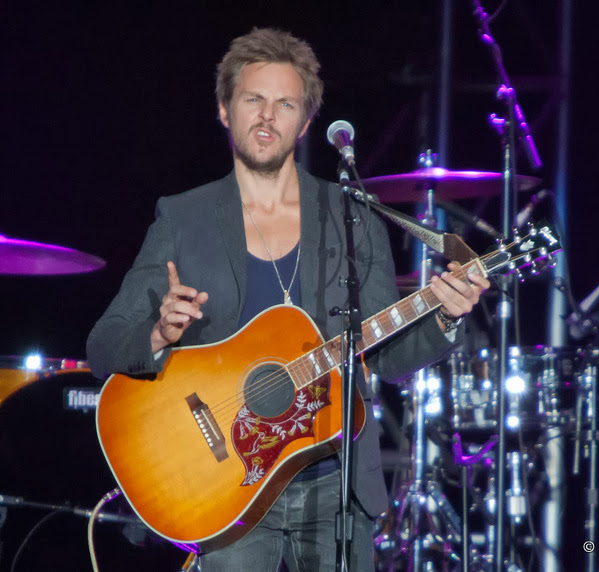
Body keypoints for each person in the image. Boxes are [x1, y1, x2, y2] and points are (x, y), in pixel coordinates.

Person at [86, 27, 490, 571]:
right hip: (224, 492)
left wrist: (444, 316)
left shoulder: (352, 217)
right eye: (253, 99)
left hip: (336, 486)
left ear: (305, 123)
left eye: (285, 104)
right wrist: (157, 334)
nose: (267, 116)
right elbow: (104, 345)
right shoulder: (183, 219)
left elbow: (388, 360)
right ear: (224, 110)